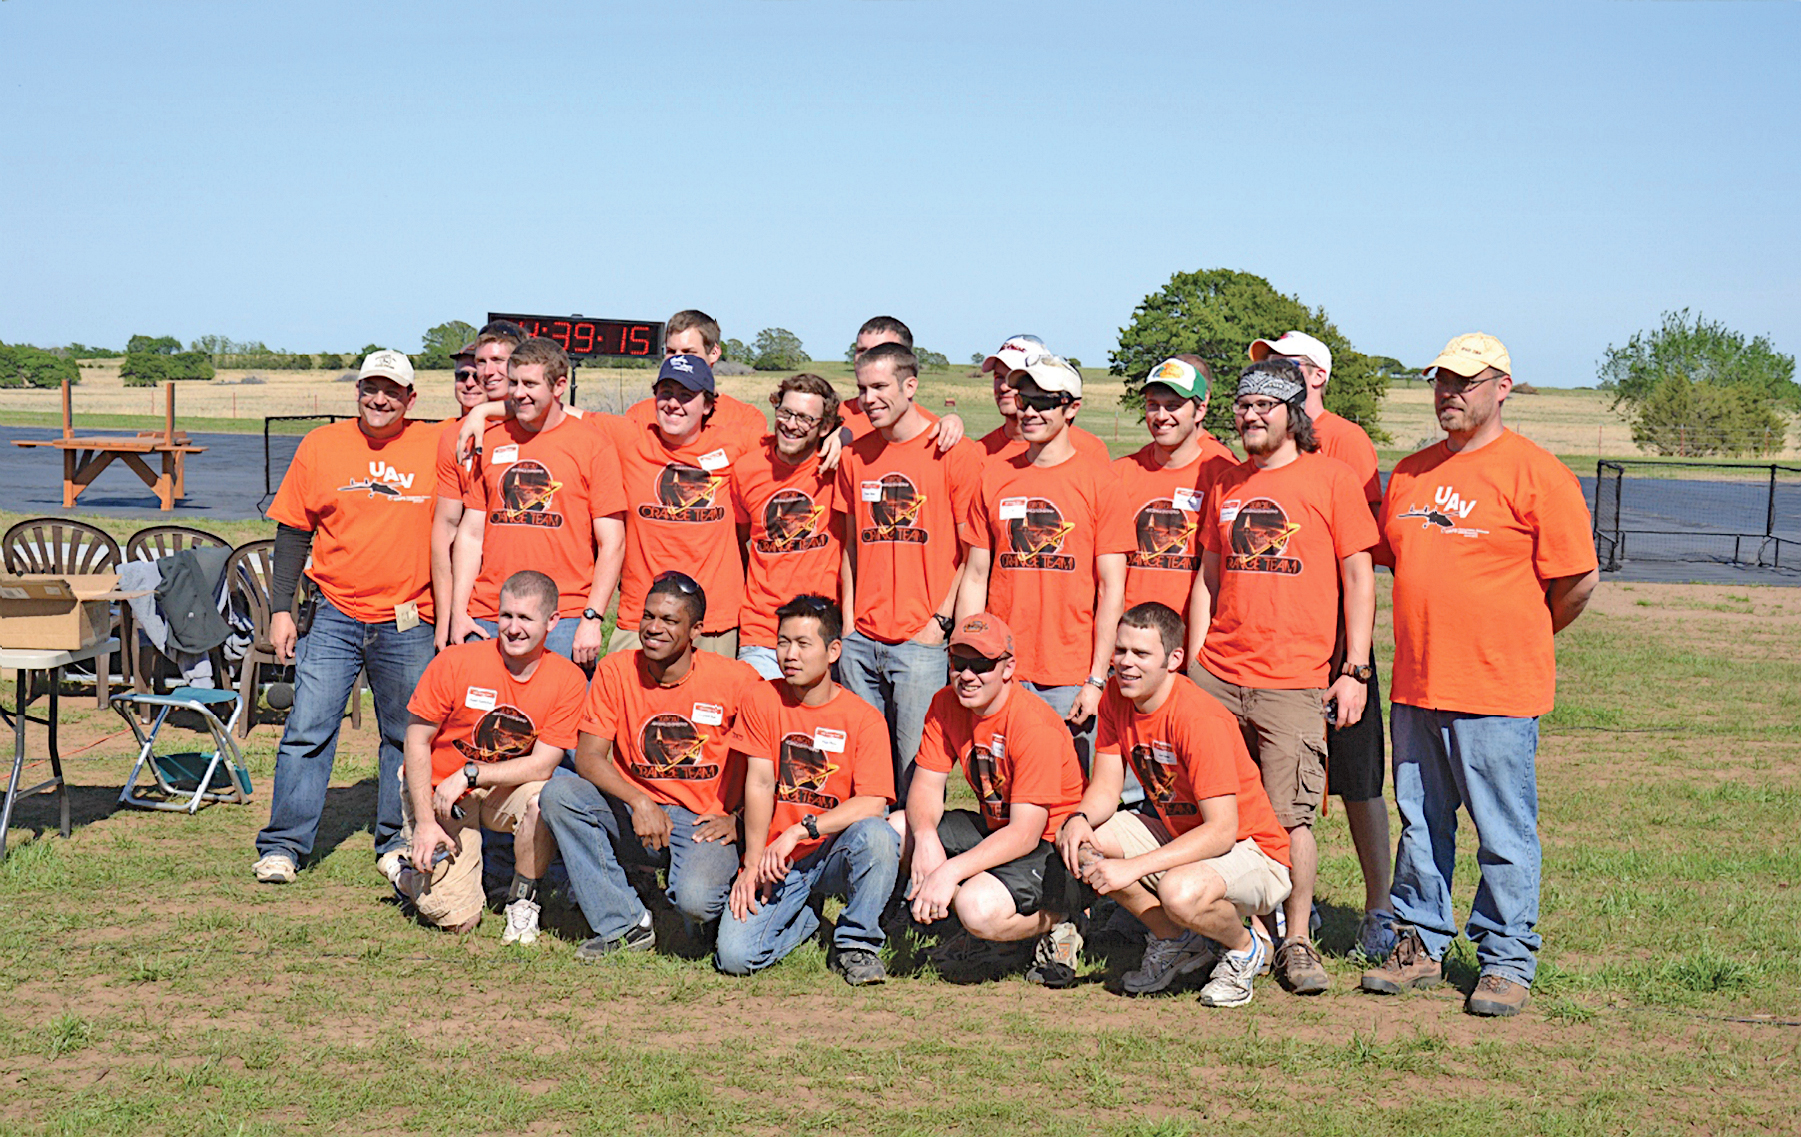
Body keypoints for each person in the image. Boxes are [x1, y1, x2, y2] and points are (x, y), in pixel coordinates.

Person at [1360, 333, 1598, 1018]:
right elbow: (1392, 563)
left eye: (1465, 381)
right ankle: (1419, 942)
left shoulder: (1535, 472)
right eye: (1441, 380)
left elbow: (1576, 580)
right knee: (1419, 823)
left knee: (1502, 830)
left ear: (1502, 387)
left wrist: (1525, 631)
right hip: (1416, 685)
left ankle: (1504, 958)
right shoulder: (1406, 474)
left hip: (1496, 688)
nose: (1449, 393)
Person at [1185, 357, 1378, 996]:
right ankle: (1232, 934)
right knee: (1211, 807)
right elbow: (1209, 577)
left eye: (1264, 406)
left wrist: (1354, 670)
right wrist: (1193, 663)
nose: (1250, 417)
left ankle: (1297, 940)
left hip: (1294, 681)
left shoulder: (1332, 480)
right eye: (1242, 406)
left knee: (1291, 817)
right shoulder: (1226, 484)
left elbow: (1359, 578)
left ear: (1293, 412)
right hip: (1218, 674)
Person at [252, 349, 440, 886]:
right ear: (357, 390)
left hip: (409, 617)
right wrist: (281, 609)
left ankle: (398, 840)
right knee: (308, 727)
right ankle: (284, 845)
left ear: (410, 398)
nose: (379, 399)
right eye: (370, 388)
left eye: (392, 390)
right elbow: (292, 532)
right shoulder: (322, 445)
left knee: (405, 735)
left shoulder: (435, 442)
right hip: (333, 611)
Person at [1058, 603, 1293, 1007]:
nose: (1126, 664)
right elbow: (1106, 786)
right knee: (1081, 844)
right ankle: (1177, 939)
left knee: (1178, 891)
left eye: (1141, 654)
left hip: (1252, 849)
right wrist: (1078, 818)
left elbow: (1222, 831)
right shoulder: (1116, 696)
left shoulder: (1198, 718)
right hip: (1185, 836)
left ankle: (1244, 947)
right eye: (1121, 651)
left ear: (1174, 659)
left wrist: (1132, 868)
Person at [1249, 329, 1396, 958]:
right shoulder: (1260, 442)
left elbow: (1354, 557)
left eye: (1288, 366)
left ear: (1318, 377)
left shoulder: (1344, 441)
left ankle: (1379, 907)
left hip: (1336, 648)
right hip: (1272, 651)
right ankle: (1265, 911)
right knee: (1269, 787)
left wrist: (1353, 665)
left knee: (1358, 783)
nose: (1276, 376)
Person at [535, 572, 759, 958]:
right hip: (635, 811)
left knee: (695, 900)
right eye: (648, 616)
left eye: (670, 621)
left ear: (697, 631)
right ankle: (624, 923)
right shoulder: (616, 669)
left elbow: (766, 760)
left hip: (704, 822)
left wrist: (739, 818)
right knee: (559, 793)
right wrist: (640, 801)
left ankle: (705, 913)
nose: (654, 628)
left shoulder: (737, 680)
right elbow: (588, 757)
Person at [894, 613, 1088, 987]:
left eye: (982, 664)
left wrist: (949, 871)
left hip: (1052, 847)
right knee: (897, 830)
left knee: (977, 908)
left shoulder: (1033, 724)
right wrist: (927, 838)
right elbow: (926, 786)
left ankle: (1061, 920)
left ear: (1008, 668)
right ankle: (981, 931)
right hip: (998, 825)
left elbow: (1026, 835)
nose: (968, 675)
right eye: (959, 663)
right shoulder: (944, 703)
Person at [958, 353, 1131, 770]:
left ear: (1072, 408)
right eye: (1024, 400)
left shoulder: (1101, 484)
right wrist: (967, 657)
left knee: (1067, 792)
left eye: (1044, 402)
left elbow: (1111, 590)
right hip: (1002, 667)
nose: (1030, 411)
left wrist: (1095, 679)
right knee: (1004, 786)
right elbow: (976, 574)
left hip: (1068, 675)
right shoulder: (993, 477)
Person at [717, 596, 900, 985]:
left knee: (880, 836)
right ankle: (807, 917)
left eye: (803, 644)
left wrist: (803, 830)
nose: (790, 655)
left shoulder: (864, 718)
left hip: (831, 849)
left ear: (833, 651)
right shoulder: (761, 697)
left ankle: (856, 943)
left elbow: (874, 800)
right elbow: (761, 782)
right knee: (735, 957)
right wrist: (752, 864)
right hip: (776, 859)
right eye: (783, 642)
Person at [396, 571, 586, 942]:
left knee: (545, 797)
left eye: (525, 619)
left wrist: (471, 774)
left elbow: (544, 764)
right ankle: (405, 874)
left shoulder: (568, 679)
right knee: (457, 918)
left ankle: (523, 900)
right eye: (506, 616)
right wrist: (424, 820)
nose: (513, 629)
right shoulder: (455, 661)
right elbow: (416, 740)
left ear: (552, 622)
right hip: (439, 791)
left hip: (496, 785)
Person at [835, 342, 985, 791]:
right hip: (861, 639)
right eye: (862, 388)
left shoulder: (952, 452)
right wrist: (848, 624)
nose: (870, 398)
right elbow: (851, 547)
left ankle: (915, 859)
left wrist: (939, 622)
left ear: (910, 385)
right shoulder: (854, 457)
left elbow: (971, 548)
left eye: (880, 386)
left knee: (915, 770)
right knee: (865, 771)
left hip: (920, 642)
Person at [446, 337, 626, 664]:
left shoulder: (592, 444)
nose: (517, 393)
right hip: (490, 613)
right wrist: (459, 612)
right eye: (513, 382)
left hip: (563, 617)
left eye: (530, 383)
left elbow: (612, 542)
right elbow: (471, 535)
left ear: (559, 386)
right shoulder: (490, 440)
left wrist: (592, 618)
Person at [604, 353, 757, 657]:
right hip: (642, 615)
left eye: (686, 396)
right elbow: (556, 412)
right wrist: (483, 411)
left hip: (713, 620)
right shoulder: (629, 438)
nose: (673, 403)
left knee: (711, 704)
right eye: (666, 393)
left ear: (709, 405)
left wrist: (834, 438)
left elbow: (796, 444)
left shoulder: (737, 443)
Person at [731, 374, 846, 679]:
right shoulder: (747, 470)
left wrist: (845, 434)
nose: (792, 425)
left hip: (823, 631)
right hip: (763, 633)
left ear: (825, 426)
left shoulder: (839, 467)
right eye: (785, 413)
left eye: (806, 418)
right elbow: (737, 541)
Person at [1115, 356, 1238, 622]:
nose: (1161, 417)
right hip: (1129, 641)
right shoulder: (1119, 474)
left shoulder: (1224, 476)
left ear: (1200, 410)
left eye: (1173, 406)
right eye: (1152, 405)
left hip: (1191, 638)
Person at [433, 325, 523, 649]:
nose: (481, 375)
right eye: (476, 365)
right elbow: (452, 530)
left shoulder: (545, 426)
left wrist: (484, 410)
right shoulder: (456, 437)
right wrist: (450, 613)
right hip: (480, 598)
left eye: (497, 361)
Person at [976, 335, 1110, 466]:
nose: (1004, 386)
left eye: (1013, 376)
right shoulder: (979, 454)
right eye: (999, 377)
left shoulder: (1089, 449)